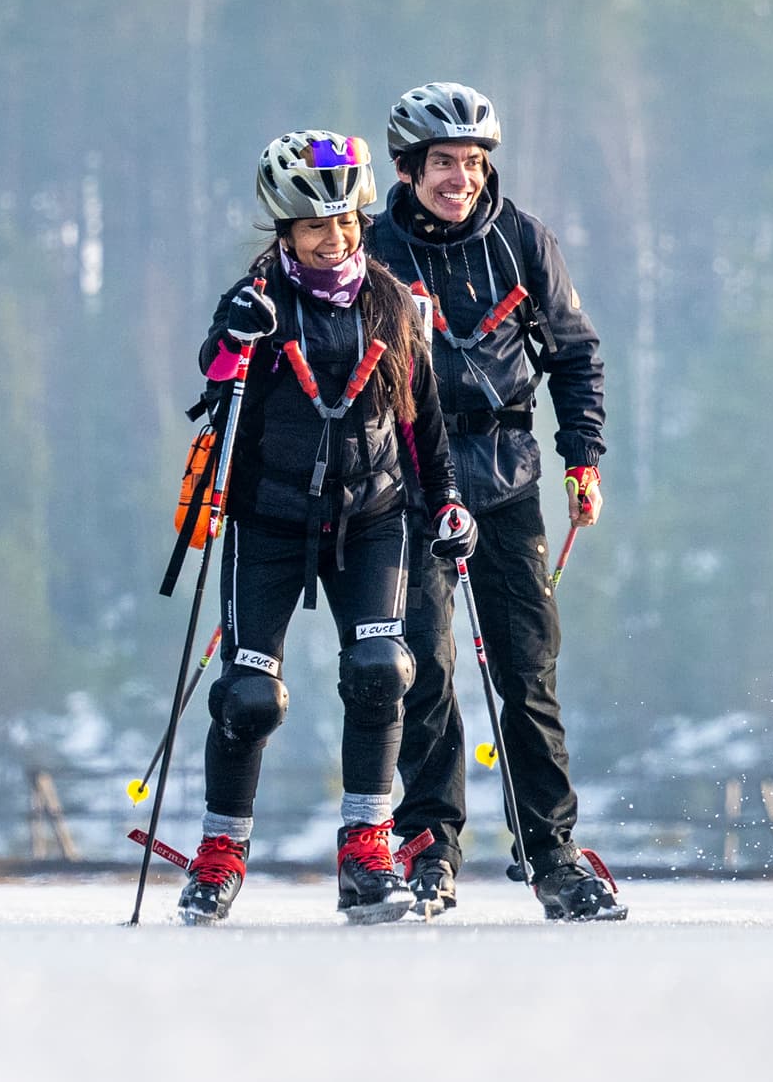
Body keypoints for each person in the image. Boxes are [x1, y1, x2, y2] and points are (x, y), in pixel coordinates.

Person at [176, 130, 474, 925]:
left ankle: (367, 850)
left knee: (382, 669)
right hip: (268, 520)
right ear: (284, 231)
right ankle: (218, 855)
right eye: (314, 226)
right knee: (249, 697)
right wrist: (234, 340)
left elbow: (425, 424)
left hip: (370, 518)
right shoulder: (257, 299)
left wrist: (446, 501)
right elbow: (213, 381)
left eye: (346, 221)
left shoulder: (391, 300)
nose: (334, 238)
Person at [366, 81, 624, 922]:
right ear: (408, 169)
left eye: (474, 164)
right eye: (445, 163)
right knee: (424, 672)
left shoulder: (524, 242)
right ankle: (430, 848)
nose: (462, 179)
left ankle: (550, 853)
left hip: (510, 483)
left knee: (528, 674)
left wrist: (582, 457)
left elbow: (575, 356)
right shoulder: (370, 252)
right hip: (406, 491)